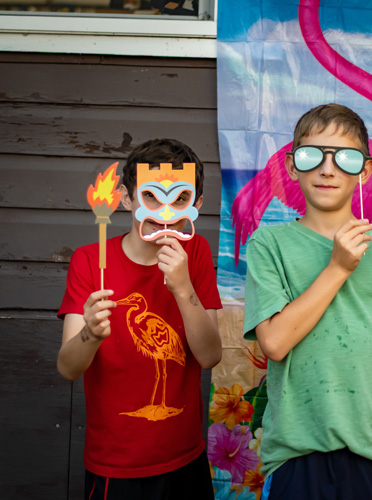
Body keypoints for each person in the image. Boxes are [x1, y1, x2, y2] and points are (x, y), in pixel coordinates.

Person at [243, 103, 372, 499]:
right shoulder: (269, 244)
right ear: (292, 166)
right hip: (296, 453)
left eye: (345, 158)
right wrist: (338, 267)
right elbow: (273, 342)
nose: (328, 170)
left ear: (365, 170)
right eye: (312, 156)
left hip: (369, 457)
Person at [57, 138, 222, 500]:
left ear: (196, 205)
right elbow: (68, 368)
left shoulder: (194, 253)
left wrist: (182, 288)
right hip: (115, 464)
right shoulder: (89, 261)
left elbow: (210, 356)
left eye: (179, 199)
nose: (165, 210)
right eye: (151, 196)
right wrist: (91, 334)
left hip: (186, 457)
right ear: (127, 198)